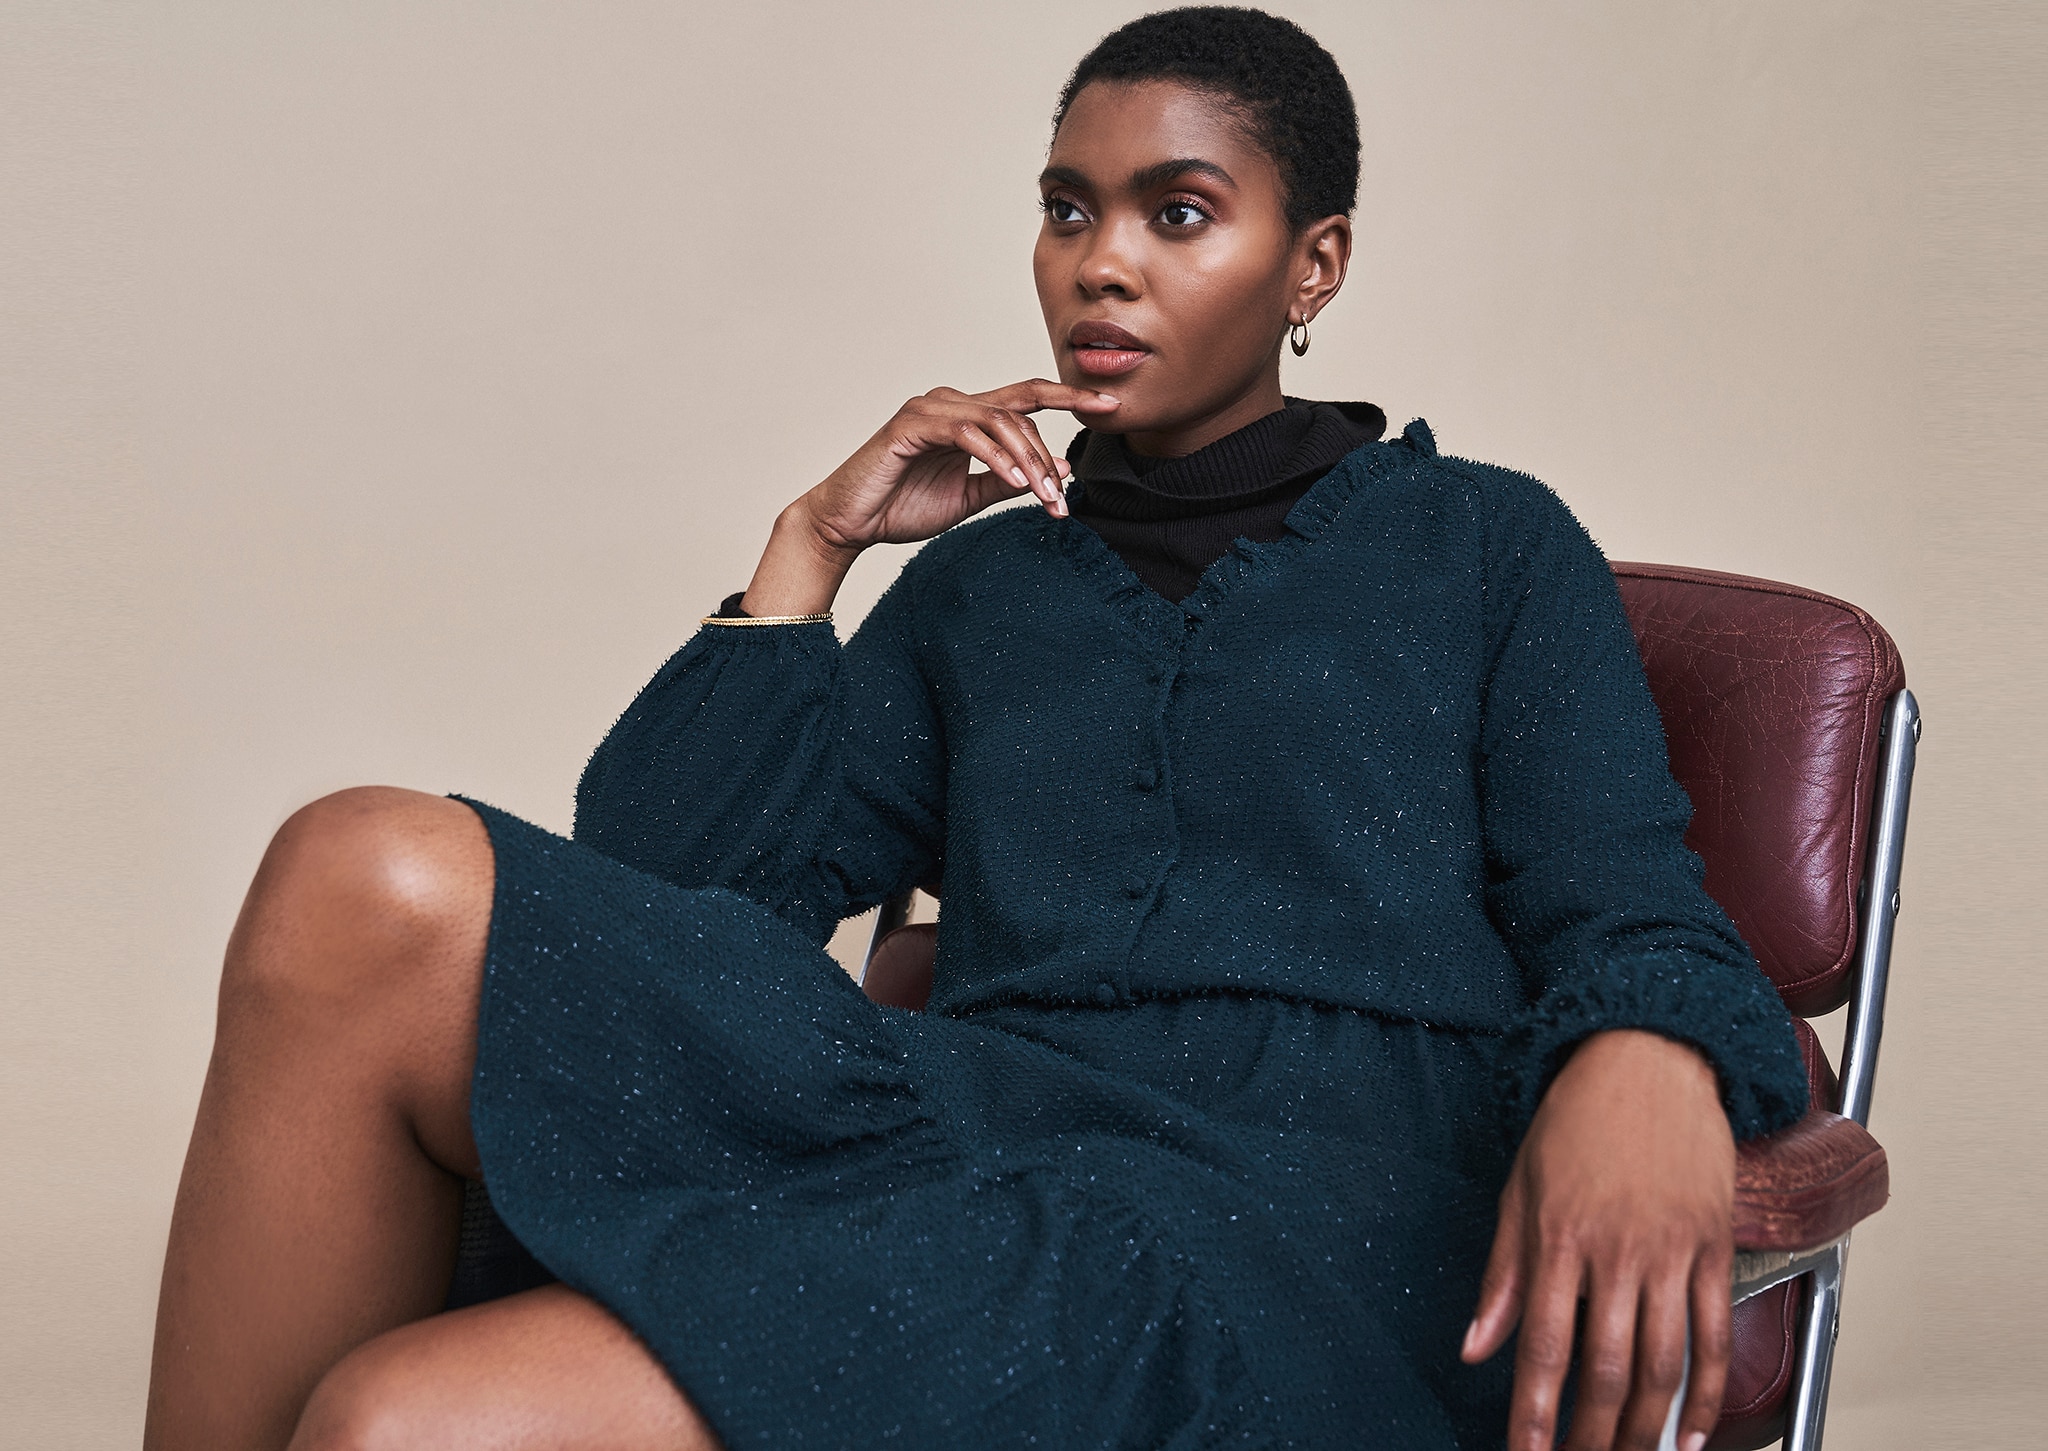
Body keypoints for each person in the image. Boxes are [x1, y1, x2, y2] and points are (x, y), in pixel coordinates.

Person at [144, 9, 1809, 1450]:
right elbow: (678, 908)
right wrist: (812, 551)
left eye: (1177, 213)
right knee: (358, 869)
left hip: (1303, 1235)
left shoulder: (1486, 544)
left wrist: (1645, 1055)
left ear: (1315, 264)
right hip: (965, 1153)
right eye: (1069, 209)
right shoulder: (981, 592)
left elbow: (1632, 907)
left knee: (403, 1420)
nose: (1101, 262)